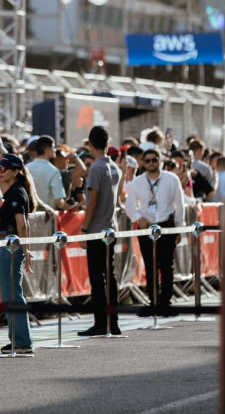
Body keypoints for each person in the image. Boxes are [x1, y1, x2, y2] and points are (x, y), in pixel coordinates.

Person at [124, 149, 185, 317]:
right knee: (150, 265)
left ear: (160, 161)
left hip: (166, 225)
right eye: (148, 160)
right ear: (143, 163)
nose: (151, 163)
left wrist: (180, 228)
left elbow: (179, 205)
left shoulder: (171, 179)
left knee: (166, 266)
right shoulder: (137, 182)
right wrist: (138, 218)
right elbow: (129, 207)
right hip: (146, 227)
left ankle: (166, 303)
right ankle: (153, 302)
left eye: (154, 160)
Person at [78, 126, 122, 337]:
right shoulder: (115, 167)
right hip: (111, 227)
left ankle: (100, 323)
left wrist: (84, 228)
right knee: (110, 277)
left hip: (97, 230)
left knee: (98, 279)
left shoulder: (96, 168)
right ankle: (113, 322)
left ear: (90, 144)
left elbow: (92, 202)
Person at [0, 154, 34, 354]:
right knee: (11, 293)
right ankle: (19, 340)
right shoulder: (15, 191)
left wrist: (26, 251)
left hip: (11, 245)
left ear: (16, 171)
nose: (0, 171)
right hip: (10, 244)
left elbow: (22, 223)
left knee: (12, 294)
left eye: (4, 168)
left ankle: (21, 341)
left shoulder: (17, 192)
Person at [27, 136, 67, 211]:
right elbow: (59, 202)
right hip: (47, 217)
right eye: (53, 147)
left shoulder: (26, 168)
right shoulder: (53, 171)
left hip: (29, 216)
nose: (55, 150)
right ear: (48, 150)